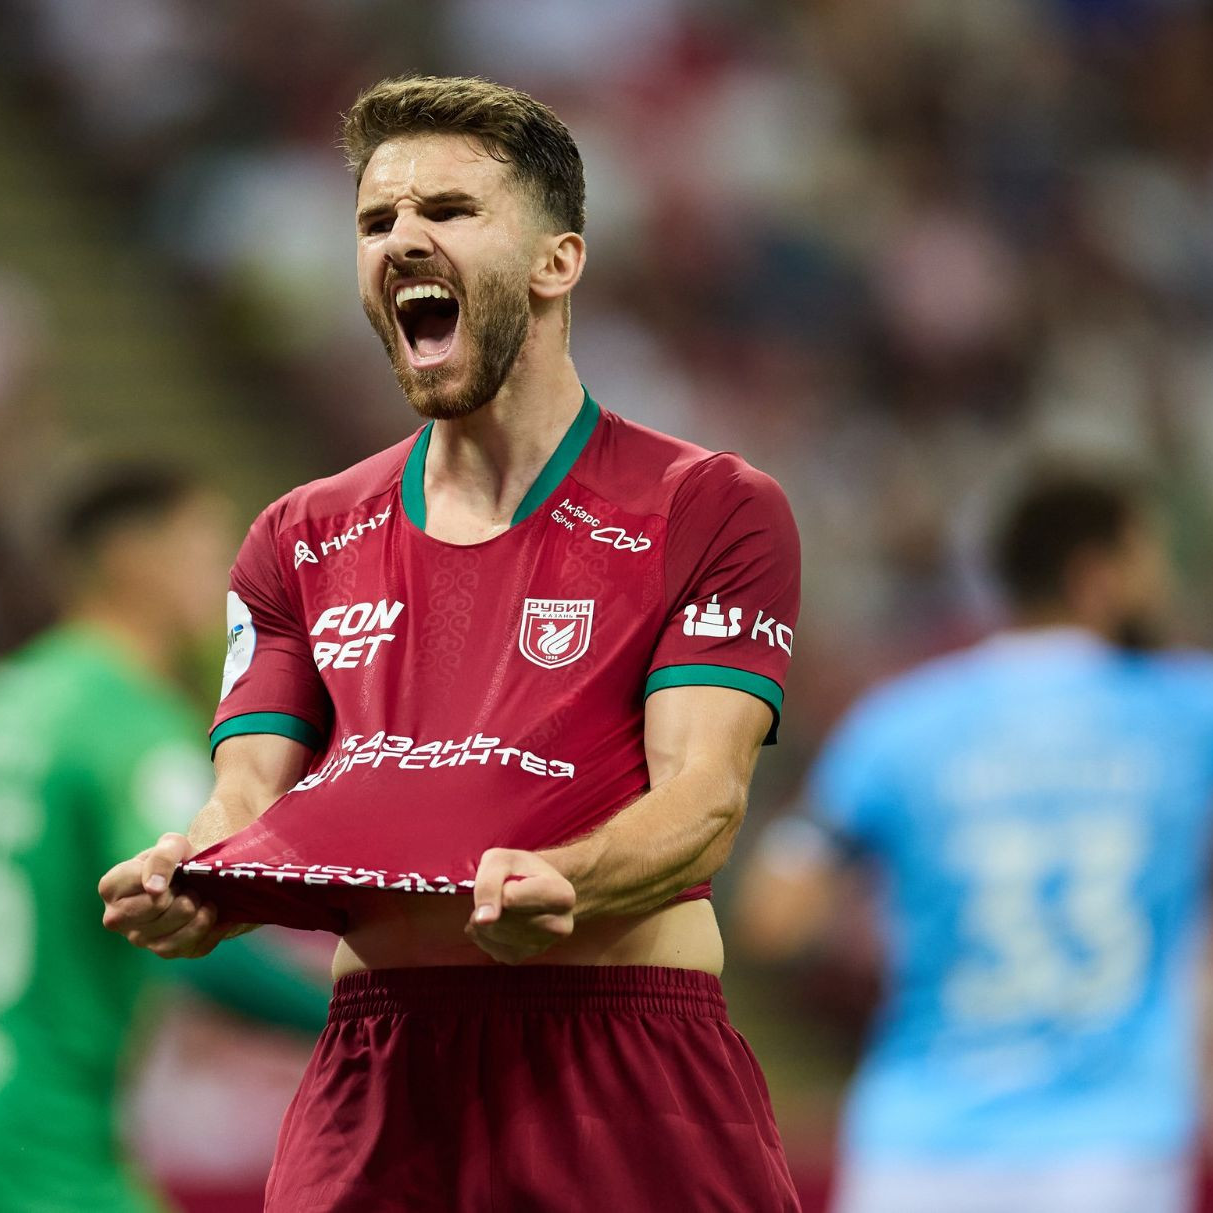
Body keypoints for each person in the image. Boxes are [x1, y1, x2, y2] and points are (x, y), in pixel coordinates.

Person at [100, 76, 803, 1210]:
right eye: (376, 221)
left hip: (619, 1061)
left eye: (448, 210)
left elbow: (704, 799)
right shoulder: (298, 536)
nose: (400, 240)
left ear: (556, 262)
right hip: (379, 1071)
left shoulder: (708, 507)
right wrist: (194, 875)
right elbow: (246, 797)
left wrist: (568, 880)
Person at [737, 469, 1213, 1213]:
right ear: (1097, 575)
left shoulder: (902, 721)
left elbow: (774, 914)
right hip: (1110, 1150)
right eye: (1149, 561)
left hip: (917, 1148)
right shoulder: (1189, 707)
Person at [0, 465, 329, 1213]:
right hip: (25, 1130)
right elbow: (196, 910)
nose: (231, 585)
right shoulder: (125, 720)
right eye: (205, 551)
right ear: (134, 561)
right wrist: (350, 1018)